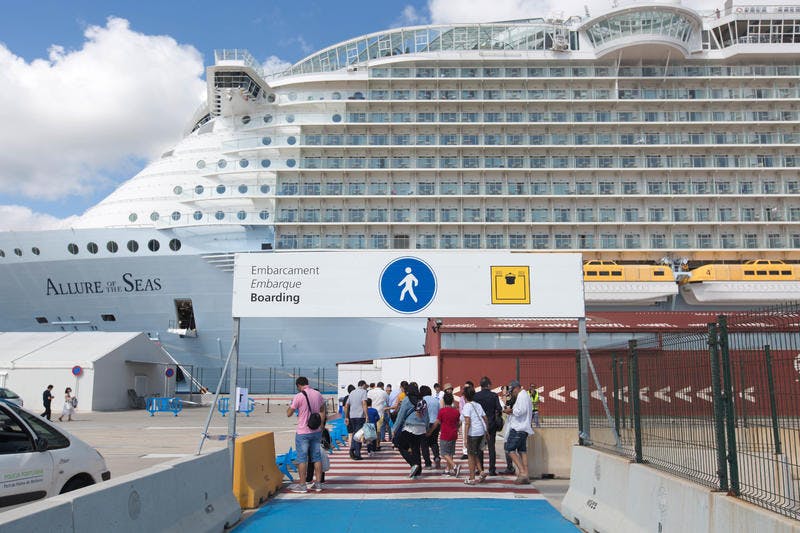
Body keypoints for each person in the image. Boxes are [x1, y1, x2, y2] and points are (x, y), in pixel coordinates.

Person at [286, 376, 326, 493]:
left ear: (299, 385)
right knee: (316, 457)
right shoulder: (318, 394)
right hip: (316, 431)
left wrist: (290, 406)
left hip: (303, 431)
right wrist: (321, 424)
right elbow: (322, 410)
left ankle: (302, 485)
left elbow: (289, 413)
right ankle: (318, 484)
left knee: (302, 458)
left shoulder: (298, 396)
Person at [392, 383, 427, 478]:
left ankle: (413, 464)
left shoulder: (407, 400)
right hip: (421, 428)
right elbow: (426, 416)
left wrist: (394, 429)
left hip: (410, 427)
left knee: (400, 444)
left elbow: (401, 415)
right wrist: (427, 428)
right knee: (416, 448)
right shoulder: (422, 400)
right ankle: (418, 471)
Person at [503, 380, 533, 484]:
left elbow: (521, 411)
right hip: (523, 428)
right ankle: (526, 474)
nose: (512, 394)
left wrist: (510, 411)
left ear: (516, 388)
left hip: (518, 428)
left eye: (512, 391)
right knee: (522, 451)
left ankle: (522, 472)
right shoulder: (524, 395)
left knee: (509, 449)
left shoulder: (522, 396)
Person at [474, 376, 503, 475]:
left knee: (479, 448)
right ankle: (492, 469)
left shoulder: (476, 396)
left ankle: (480, 469)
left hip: (480, 425)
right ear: (489, 385)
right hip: (491, 424)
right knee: (491, 448)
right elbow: (499, 409)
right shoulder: (494, 396)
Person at [427, 391, 460, 477]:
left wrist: (430, 431)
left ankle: (454, 466)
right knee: (450, 453)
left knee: (444, 453)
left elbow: (437, 422)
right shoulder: (456, 412)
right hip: (454, 433)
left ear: (444, 401)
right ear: (452, 401)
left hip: (445, 434)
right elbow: (458, 423)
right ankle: (447, 470)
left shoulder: (442, 411)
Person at [461, 385, 489, 485]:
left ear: (465, 396)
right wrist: (487, 431)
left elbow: (467, 423)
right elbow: (485, 418)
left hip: (473, 433)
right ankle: (481, 472)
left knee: (470, 456)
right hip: (481, 432)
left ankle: (472, 478)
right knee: (475, 453)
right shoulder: (478, 405)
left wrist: (465, 438)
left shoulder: (467, 406)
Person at [344, 380, 368, 460]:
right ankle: (356, 453)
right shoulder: (363, 392)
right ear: (363, 385)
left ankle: (353, 450)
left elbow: (346, 405)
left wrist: (346, 417)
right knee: (358, 435)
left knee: (355, 433)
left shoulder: (352, 392)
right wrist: (366, 415)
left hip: (352, 416)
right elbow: (364, 403)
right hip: (360, 416)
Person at [419, 385, 441, 469]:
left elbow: (420, 413)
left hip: (425, 424)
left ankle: (428, 463)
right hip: (436, 423)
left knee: (424, 444)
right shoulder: (436, 400)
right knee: (434, 442)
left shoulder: (422, 401)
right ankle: (436, 457)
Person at [368, 381, 389, 451]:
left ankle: (370, 445)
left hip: (370, 412)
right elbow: (387, 403)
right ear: (382, 386)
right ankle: (377, 445)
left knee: (370, 430)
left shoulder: (370, 392)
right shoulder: (384, 393)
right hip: (379, 413)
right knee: (378, 430)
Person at [459, 380, 474, 460]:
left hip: (473, 420)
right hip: (465, 419)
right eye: (465, 387)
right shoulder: (462, 398)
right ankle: (465, 452)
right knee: (464, 434)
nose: (465, 389)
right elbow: (461, 409)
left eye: (467, 387)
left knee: (472, 435)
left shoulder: (474, 397)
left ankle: (472, 451)